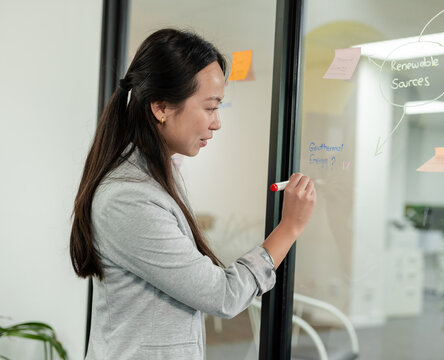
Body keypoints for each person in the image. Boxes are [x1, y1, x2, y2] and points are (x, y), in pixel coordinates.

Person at [69, 28, 316, 360]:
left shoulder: (157, 173)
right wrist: (289, 228)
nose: (217, 124)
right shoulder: (128, 197)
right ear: (161, 107)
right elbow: (222, 295)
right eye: (211, 107)